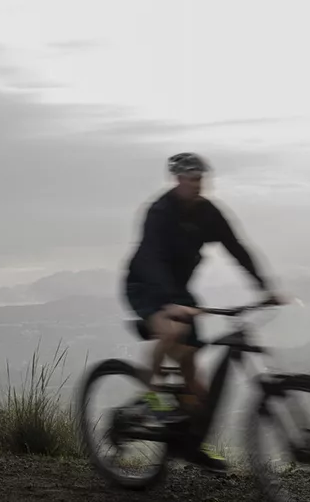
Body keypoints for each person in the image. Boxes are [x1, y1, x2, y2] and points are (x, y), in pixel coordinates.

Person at [122, 152, 286, 471]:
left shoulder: (208, 213)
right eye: (190, 179)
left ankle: (191, 446)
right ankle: (153, 399)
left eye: (200, 179)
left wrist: (264, 287)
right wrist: (170, 302)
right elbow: (151, 258)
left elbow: (236, 247)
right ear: (177, 179)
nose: (197, 185)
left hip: (179, 292)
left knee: (195, 384)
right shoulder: (159, 212)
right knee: (172, 330)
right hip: (145, 285)